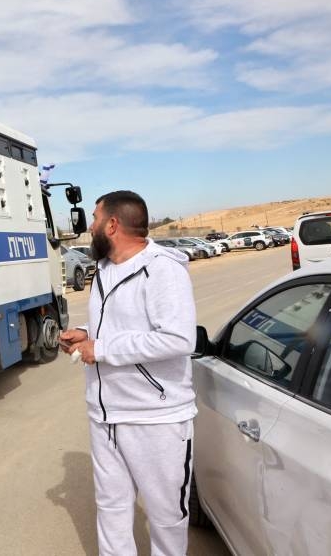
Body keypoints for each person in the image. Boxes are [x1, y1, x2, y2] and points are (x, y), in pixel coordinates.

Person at [59, 190, 197, 556]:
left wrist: (101, 349)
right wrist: (86, 336)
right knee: (112, 512)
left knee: (167, 519)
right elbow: (119, 325)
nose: (89, 226)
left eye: (94, 218)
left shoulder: (163, 270)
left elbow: (178, 339)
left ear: (112, 224)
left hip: (157, 421)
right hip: (106, 417)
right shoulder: (103, 270)